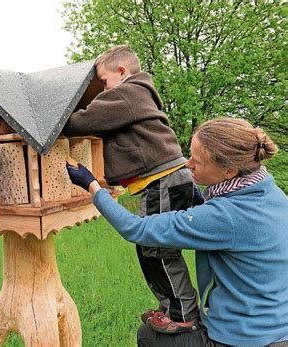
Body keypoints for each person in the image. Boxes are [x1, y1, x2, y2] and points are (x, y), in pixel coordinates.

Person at [66, 117, 288, 346]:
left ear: (230, 170)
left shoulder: (226, 216)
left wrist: (92, 185)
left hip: (243, 339)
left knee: (149, 336)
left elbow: (135, 228)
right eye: (188, 154)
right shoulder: (272, 194)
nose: (188, 164)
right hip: (278, 329)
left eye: (197, 161)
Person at [63, 44, 199, 332]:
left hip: (164, 180)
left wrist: (52, 122)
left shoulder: (127, 93)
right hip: (165, 180)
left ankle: (183, 313)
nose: (102, 90)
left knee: (158, 250)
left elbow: (82, 121)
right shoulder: (136, 94)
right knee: (149, 248)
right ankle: (170, 305)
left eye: (103, 81)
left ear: (122, 72)